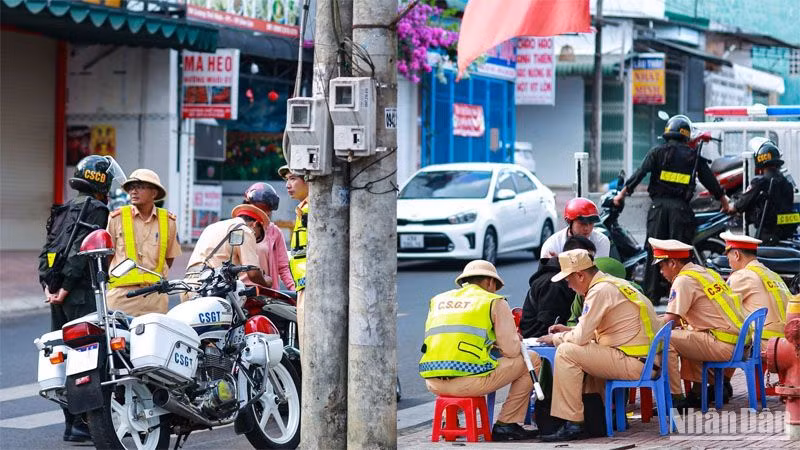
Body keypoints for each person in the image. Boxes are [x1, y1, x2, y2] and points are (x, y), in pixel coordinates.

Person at [537, 249, 661, 442]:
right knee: (578, 352)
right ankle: (594, 421)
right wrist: (569, 331)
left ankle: (573, 423)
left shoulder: (599, 291)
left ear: (580, 275)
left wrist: (556, 338)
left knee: (566, 351)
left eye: (569, 280)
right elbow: (599, 330)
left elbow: (580, 339)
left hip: (635, 362)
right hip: (645, 360)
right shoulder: (614, 284)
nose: (569, 286)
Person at [612, 115, 731, 303]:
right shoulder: (693, 157)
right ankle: (680, 297)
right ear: (686, 136)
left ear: (668, 134)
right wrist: (724, 202)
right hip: (681, 212)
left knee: (655, 252)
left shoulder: (657, 152)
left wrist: (621, 195)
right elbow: (711, 182)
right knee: (680, 254)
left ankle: (650, 296)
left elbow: (639, 174)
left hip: (658, 209)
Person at [419, 260, 541, 441]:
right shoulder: (493, 301)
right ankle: (507, 423)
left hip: (433, 382)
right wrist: (511, 339)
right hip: (468, 383)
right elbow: (512, 351)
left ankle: (448, 421)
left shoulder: (438, 300)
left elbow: (449, 342)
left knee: (465, 363)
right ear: (490, 282)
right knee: (532, 359)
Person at [41, 155, 118, 442]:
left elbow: (48, 250)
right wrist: (69, 285)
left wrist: (50, 286)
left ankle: (71, 424)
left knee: (63, 355)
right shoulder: (97, 209)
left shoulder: (65, 208)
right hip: (80, 293)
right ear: (102, 181)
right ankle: (83, 424)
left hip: (58, 294)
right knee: (88, 358)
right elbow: (79, 251)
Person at [653, 238, 744, 405]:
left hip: (722, 345)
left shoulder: (683, 280)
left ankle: (675, 397)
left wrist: (645, 326)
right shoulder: (707, 273)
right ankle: (700, 391)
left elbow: (669, 322)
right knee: (687, 334)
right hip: (736, 342)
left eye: (661, 266)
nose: (660, 272)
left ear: (672, 263)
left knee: (666, 338)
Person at [106, 169, 181, 315]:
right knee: (119, 338)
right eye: (131, 187)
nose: (133, 191)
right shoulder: (117, 218)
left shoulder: (168, 221)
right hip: (122, 297)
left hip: (155, 298)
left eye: (139, 187)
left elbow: (169, 259)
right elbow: (108, 256)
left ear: (154, 193)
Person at [520, 236, 596, 338]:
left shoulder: (587, 284)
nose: (592, 265)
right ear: (573, 259)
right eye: (588, 259)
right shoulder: (554, 285)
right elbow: (548, 327)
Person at [185, 204, 272, 290]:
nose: (255, 240)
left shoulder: (212, 226)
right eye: (257, 236)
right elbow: (253, 273)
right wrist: (266, 281)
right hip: (210, 287)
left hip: (187, 285)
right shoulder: (245, 230)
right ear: (255, 224)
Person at [722, 231, 790, 341]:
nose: (728, 262)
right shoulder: (773, 275)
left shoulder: (741, 276)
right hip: (785, 344)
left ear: (736, 255)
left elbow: (720, 308)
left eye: (728, 257)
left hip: (761, 345)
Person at [728, 139, 798, 244]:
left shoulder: (759, 182)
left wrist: (731, 207)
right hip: (786, 236)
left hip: (766, 236)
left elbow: (742, 203)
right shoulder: (787, 183)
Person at [243, 182, 295, 290]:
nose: (263, 212)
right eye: (259, 207)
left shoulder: (274, 232)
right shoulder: (237, 228)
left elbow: (283, 267)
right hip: (240, 291)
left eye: (267, 208)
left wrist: (294, 290)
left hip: (267, 292)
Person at [280, 165, 309, 337]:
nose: (288, 185)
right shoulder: (302, 209)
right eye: (287, 180)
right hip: (303, 284)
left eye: (293, 178)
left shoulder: (314, 209)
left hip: (313, 286)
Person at [539, 198, 610, 258]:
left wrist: (560, 262)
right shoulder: (552, 244)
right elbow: (546, 273)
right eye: (582, 223)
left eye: (591, 223)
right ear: (569, 221)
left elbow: (598, 272)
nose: (587, 228)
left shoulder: (601, 241)